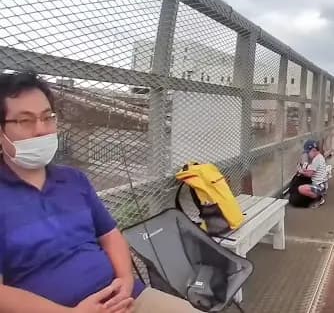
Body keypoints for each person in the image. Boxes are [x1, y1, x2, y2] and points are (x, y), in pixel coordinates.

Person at [0, 71, 202, 312]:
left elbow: (110, 235)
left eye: (47, 117)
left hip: (124, 298)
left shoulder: (74, 180)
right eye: (25, 120)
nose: (41, 130)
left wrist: (125, 280)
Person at [297, 139, 329, 208]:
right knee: (304, 186)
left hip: (319, 185)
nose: (308, 155)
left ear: (313, 150)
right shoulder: (319, 157)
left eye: (308, 152)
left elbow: (310, 174)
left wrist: (301, 172)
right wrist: (304, 170)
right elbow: (312, 171)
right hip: (322, 184)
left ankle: (319, 198)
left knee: (301, 189)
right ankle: (319, 193)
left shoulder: (316, 160)